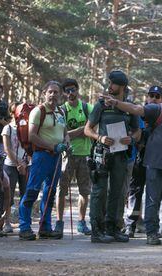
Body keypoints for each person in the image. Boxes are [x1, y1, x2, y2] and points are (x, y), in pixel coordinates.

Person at [103, 82, 162, 245]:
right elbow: (136, 109)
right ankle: (152, 233)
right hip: (154, 164)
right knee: (153, 200)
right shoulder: (157, 110)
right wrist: (116, 103)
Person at [84, 70, 140, 243]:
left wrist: (131, 138)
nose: (109, 86)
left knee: (117, 192)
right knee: (99, 192)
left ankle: (113, 228)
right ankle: (96, 231)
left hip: (121, 155)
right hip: (102, 154)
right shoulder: (101, 105)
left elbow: (138, 132)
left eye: (113, 83)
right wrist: (100, 138)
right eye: (109, 83)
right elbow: (88, 129)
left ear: (122, 87)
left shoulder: (129, 108)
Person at [18, 81, 70, 241]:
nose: (53, 95)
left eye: (56, 92)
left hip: (56, 157)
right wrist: (53, 147)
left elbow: (65, 133)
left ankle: (45, 227)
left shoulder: (61, 112)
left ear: (61, 95)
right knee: (32, 190)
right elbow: (32, 136)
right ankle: (24, 227)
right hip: (41, 156)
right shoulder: (37, 111)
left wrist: (67, 144)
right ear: (44, 93)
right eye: (50, 92)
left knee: (50, 193)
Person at [55, 78, 93, 237]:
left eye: (73, 90)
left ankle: (82, 222)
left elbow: (93, 127)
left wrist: (73, 132)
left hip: (85, 154)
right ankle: (59, 223)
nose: (71, 93)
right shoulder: (61, 110)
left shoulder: (86, 107)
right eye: (67, 90)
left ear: (78, 90)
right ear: (64, 93)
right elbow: (59, 134)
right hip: (66, 155)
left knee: (85, 191)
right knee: (61, 191)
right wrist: (80, 130)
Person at [125, 85, 162, 237]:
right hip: (140, 159)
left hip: (157, 161)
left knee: (154, 195)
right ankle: (130, 225)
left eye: (157, 96)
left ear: (161, 99)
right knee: (135, 193)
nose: (153, 98)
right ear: (147, 97)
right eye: (151, 95)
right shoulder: (139, 114)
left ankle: (151, 226)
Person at [1, 102, 29, 233]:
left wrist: (25, 163)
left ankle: (24, 222)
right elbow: (7, 148)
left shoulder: (27, 127)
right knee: (8, 194)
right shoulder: (8, 128)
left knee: (26, 194)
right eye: (16, 112)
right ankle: (6, 221)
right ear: (12, 113)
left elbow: (30, 147)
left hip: (25, 165)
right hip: (10, 165)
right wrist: (18, 163)